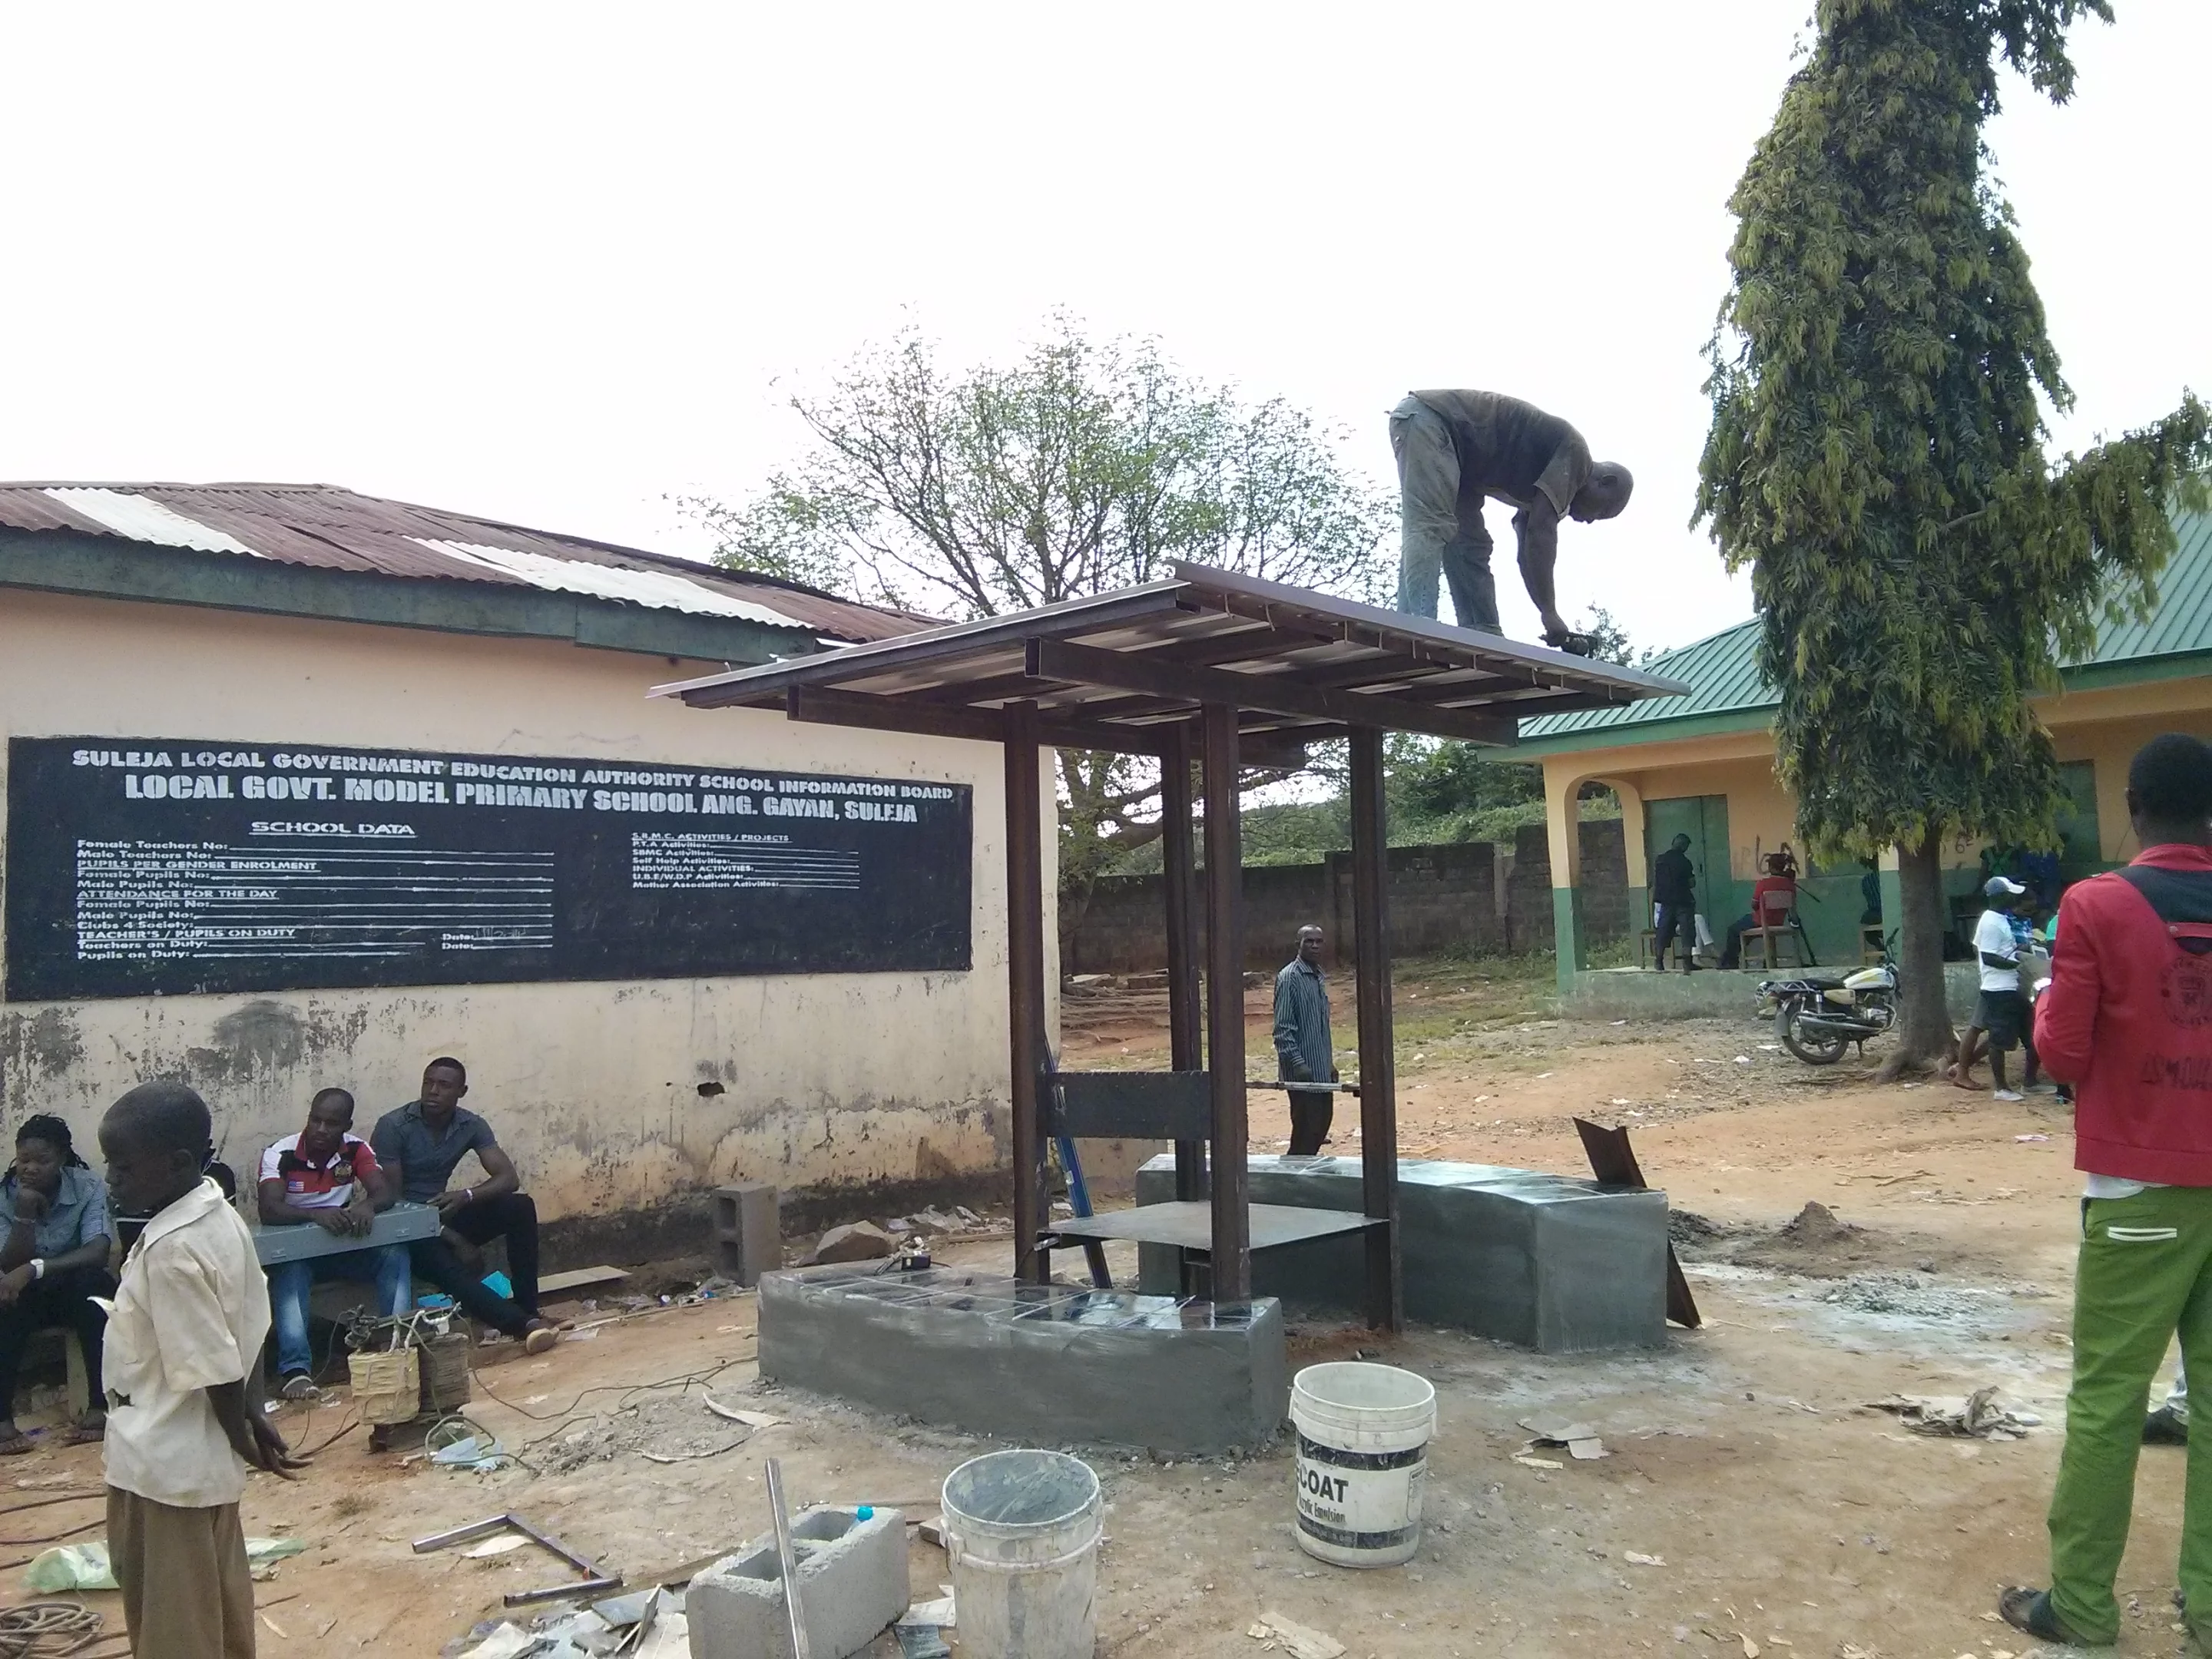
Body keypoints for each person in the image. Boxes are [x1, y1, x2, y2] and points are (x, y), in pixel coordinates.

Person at [1998, 733, 2212, 1647]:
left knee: (2108, 1398)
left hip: (2140, 1190)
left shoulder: (2095, 905)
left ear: (2132, 809)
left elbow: (2062, 1054)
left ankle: (2083, 1605)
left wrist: (2048, 997)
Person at [99, 1081, 303, 1659]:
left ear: (178, 1163)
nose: (111, 1179)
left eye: (123, 1167)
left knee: (174, 1630)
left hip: (164, 1470)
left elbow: (210, 1363)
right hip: (200, 1465)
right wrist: (250, 1414)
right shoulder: (218, 1211)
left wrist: (242, 1433)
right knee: (220, 1614)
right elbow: (245, 1322)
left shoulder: (171, 1250)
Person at [1389, 389, 1634, 651]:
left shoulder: (1546, 486)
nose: (1590, 521)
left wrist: (1546, 612)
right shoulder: (1577, 457)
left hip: (1462, 461)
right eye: (1601, 512)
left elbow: (1528, 552)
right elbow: (1541, 534)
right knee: (1430, 524)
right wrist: (1550, 612)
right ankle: (1416, 625)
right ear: (1605, 482)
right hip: (1433, 421)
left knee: (1470, 546)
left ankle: (1483, 635)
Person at [373, 1058, 557, 1355]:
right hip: (407, 1229)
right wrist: (451, 1235)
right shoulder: (393, 1126)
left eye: (444, 1085)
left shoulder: (470, 1125)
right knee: (448, 1265)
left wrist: (467, 1195)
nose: (433, 1091)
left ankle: (528, 1307)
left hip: (443, 1212)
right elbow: (391, 1201)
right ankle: (522, 1327)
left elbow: (508, 1178)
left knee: (520, 1207)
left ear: (462, 1091)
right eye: (428, 1082)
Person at [258, 1088, 411, 1399]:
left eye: (331, 1123)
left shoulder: (357, 1150)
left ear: (346, 1125)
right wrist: (316, 1215)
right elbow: (269, 1210)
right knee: (291, 1270)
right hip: (300, 1251)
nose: (321, 1130)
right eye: (316, 1120)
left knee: (394, 1254)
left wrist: (368, 1206)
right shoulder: (280, 1153)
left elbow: (384, 1193)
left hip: (342, 1248)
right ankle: (296, 1372)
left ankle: (396, 1344)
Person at [0, 1115, 114, 1452]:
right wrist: (23, 1215)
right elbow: (8, 1266)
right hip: (25, 1294)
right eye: (24, 1160)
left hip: (72, 1288)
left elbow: (98, 1250)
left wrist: (36, 1269)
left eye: (42, 1160)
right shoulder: (6, 1196)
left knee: (97, 1289)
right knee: (7, 1299)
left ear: (62, 1159)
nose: (30, 1169)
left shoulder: (87, 1186)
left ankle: (99, 1409)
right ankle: (3, 1423)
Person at [1949, 876, 2034, 1101]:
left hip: (1998, 985)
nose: (2014, 897)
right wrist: (2019, 962)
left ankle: (1962, 1069)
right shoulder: (1991, 922)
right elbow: (1988, 957)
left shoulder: (1997, 919)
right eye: (2009, 893)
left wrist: (2017, 951)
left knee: (1986, 1029)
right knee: (1997, 1037)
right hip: (1998, 987)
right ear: (1999, 897)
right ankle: (2000, 1087)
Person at [1273, 926, 1336, 1157]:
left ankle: (1300, 1176)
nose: (1315, 946)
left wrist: (1328, 1063)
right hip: (1302, 1073)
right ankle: (1291, 1180)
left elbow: (1319, 1027)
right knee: (1305, 1132)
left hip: (1321, 1070)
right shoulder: (1289, 978)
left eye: (1319, 941)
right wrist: (1298, 1063)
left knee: (1321, 1127)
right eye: (1309, 941)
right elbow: (1282, 1028)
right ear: (1298, 944)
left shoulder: (1318, 976)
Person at [1720, 853, 1800, 970]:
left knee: (1733, 930)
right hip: (1778, 921)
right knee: (1743, 930)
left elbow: (1754, 905)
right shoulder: (1790, 885)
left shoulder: (1763, 884)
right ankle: (1763, 960)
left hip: (1760, 920)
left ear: (1771, 868)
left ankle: (1730, 961)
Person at [1651, 834, 1699, 972]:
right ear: (1684, 846)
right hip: (1683, 901)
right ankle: (1687, 962)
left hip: (1665, 902)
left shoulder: (1660, 860)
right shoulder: (1685, 862)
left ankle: (1659, 961)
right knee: (1687, 930)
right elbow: (1691, 883)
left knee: (1663, 930)